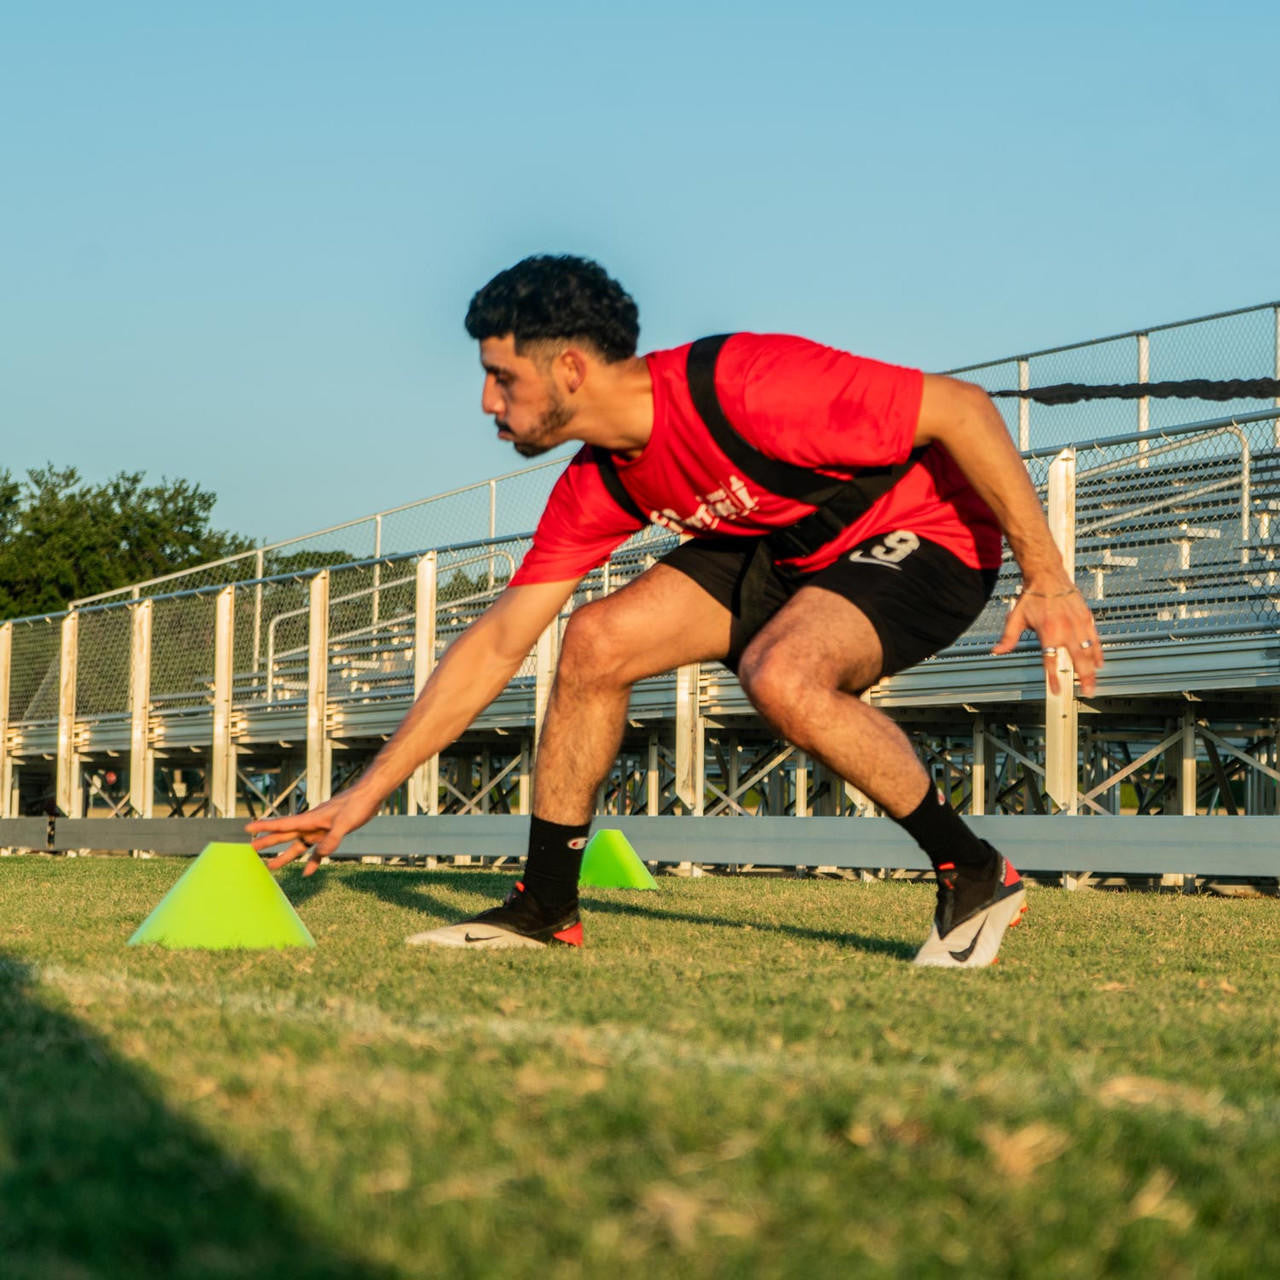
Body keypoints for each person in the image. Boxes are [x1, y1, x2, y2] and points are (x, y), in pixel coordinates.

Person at [247, 255, 1103, 967]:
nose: (487, 402)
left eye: (501, 377)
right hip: (783, 544)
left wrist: (1049, 576)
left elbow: (961, 408)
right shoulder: (598, 481)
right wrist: (365, 794)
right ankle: (545, 905)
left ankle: (973, 871)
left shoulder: (746, 384)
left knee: (782, 673)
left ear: (569, 370)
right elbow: (500, 641)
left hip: (928, 533)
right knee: (595, 640)